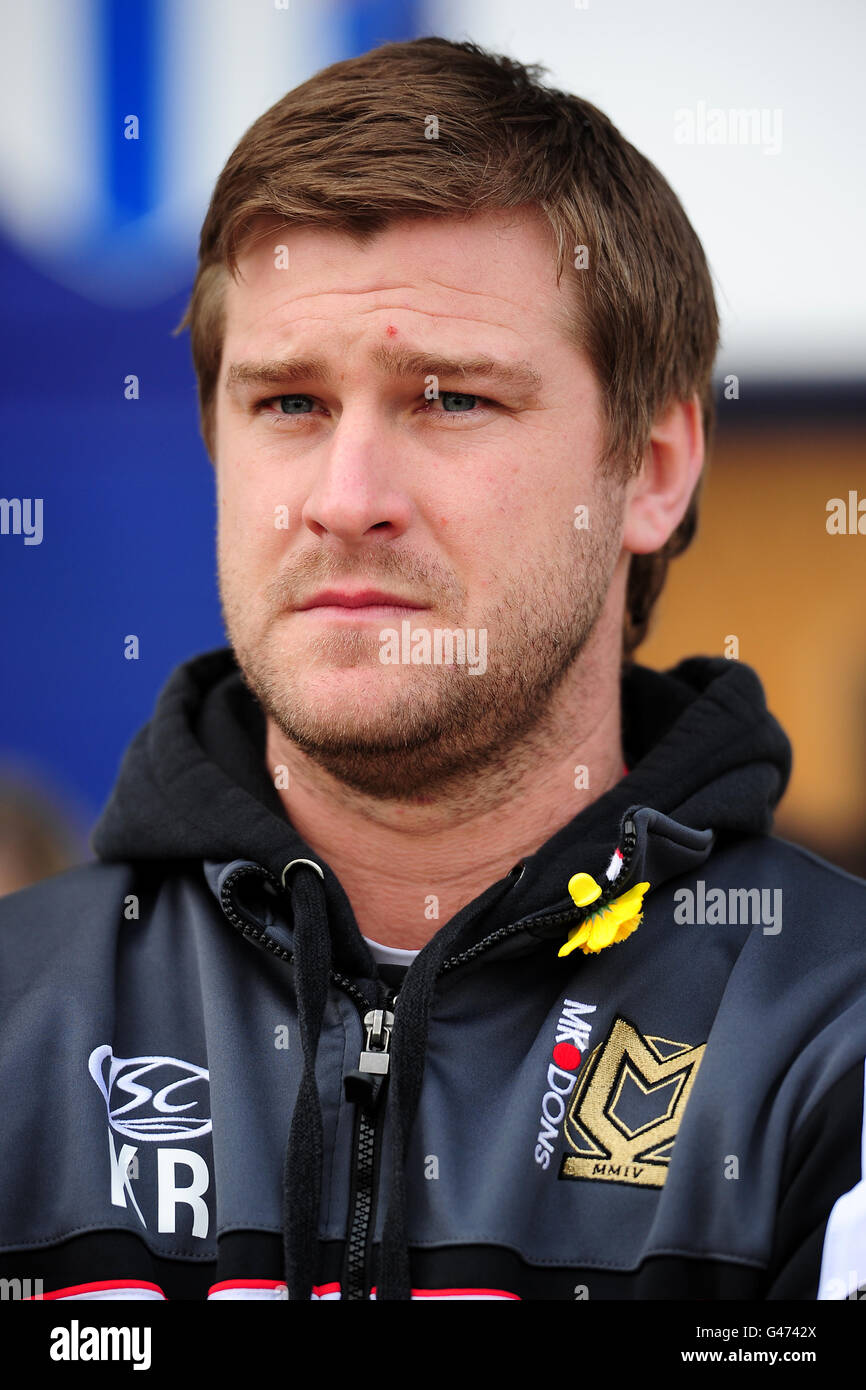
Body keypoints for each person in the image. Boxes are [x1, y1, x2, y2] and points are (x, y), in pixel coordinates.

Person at [1, 35, 864, 1304]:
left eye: (450, 398)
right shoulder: (18, 1022)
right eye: (288, 403)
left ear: (654, 466)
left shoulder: (832, 1037)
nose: (347, 501)